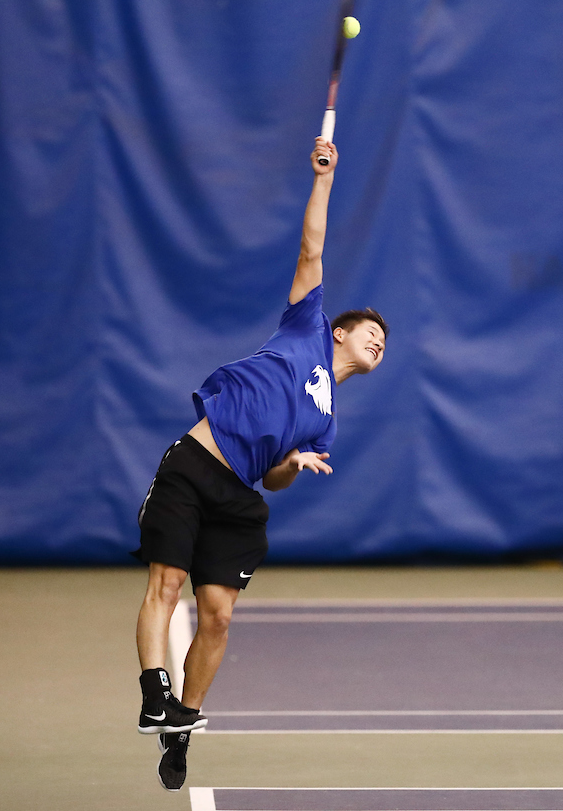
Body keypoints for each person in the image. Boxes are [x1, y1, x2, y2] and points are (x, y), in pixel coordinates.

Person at [133, 136, 388, 792]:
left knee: (217, 613)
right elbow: (312, 248)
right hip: (195, 460)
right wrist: (324, 179)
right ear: (339, 330)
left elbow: (272, 475)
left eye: (384, 346)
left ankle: (183, 721)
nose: (378, 343)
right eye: (370, 334)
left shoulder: (327, 421)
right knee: (166, 583)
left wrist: (291, 462)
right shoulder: (305, 325)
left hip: (240, 493)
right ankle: (153, 690)